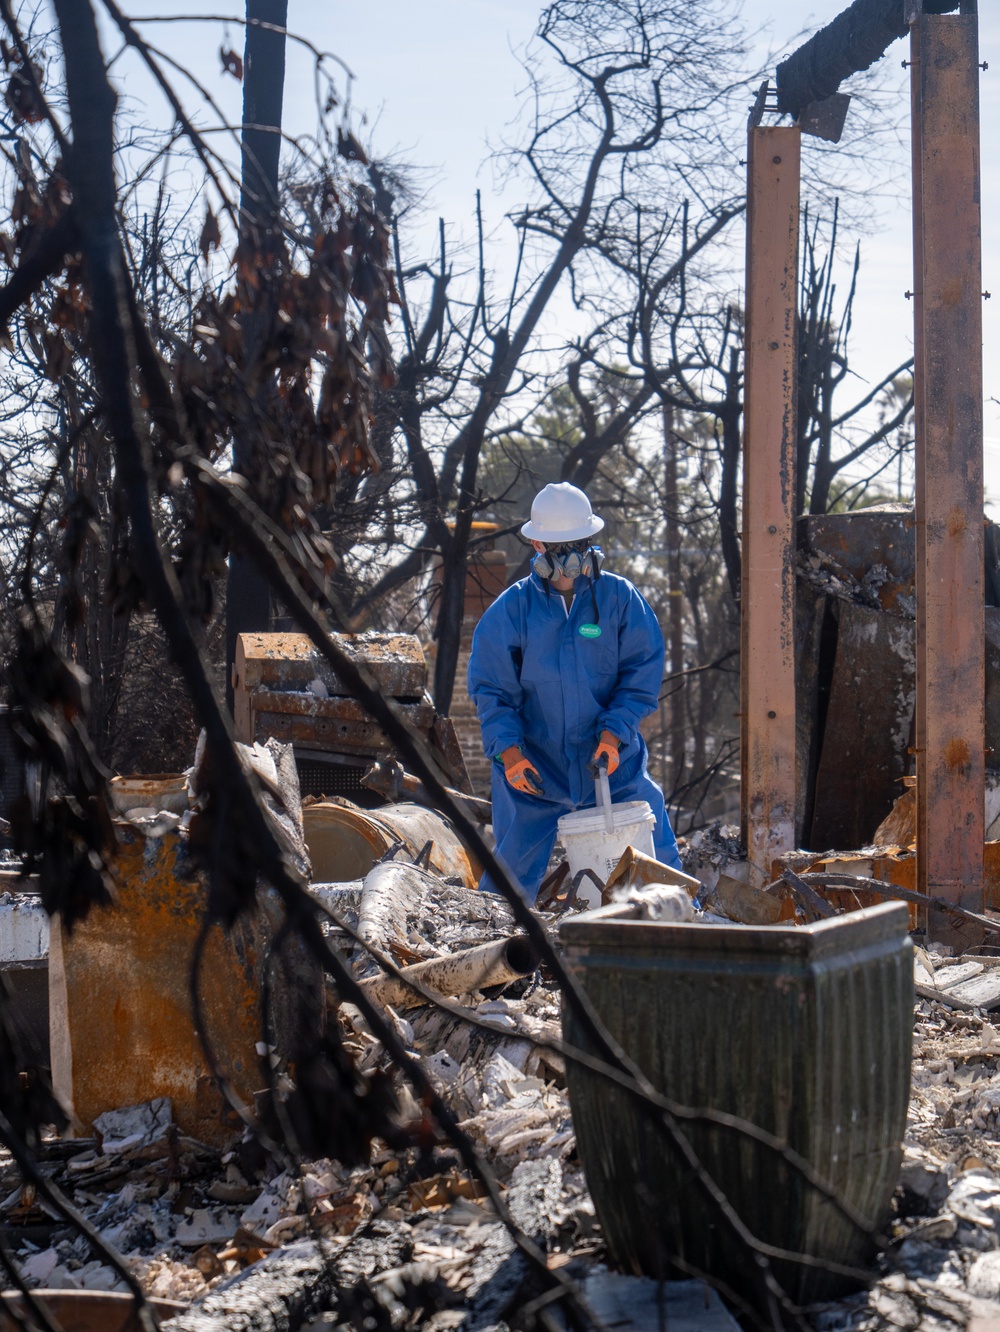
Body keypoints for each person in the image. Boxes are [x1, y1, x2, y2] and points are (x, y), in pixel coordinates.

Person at [467, 481, 681, 901]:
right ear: (535, 544)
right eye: (555, 547)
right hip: (533, 769)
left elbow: (641, 673)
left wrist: (614, 734)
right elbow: (492, 692)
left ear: (590, 544)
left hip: (611, 764)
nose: (566, 561)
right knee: (506, 882)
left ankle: (682, 923)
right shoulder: (510, 611)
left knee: (655, 846)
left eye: (575, 545)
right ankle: (492, 949)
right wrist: (509, 754)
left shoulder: (619, 599)